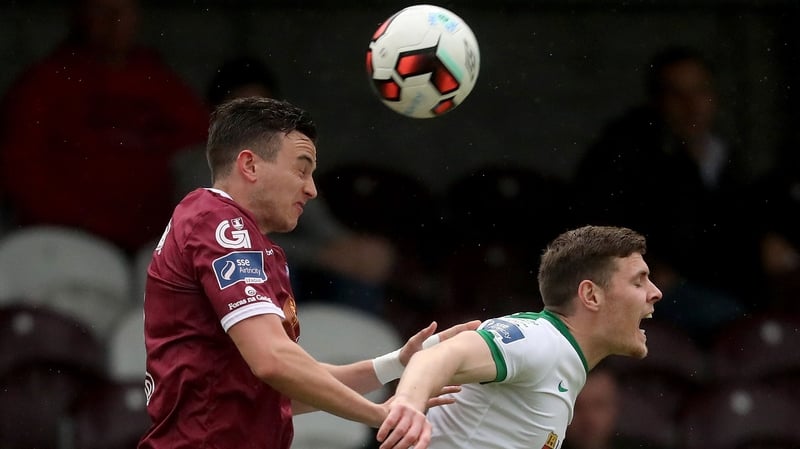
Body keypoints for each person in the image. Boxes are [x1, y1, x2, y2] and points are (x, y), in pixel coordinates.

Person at [138, 96, 479, 449]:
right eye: (301, 170)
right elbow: (274, 361)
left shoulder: (237, 235)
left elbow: (280, 391)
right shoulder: (219, 223)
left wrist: (396, 364)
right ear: (250, 165)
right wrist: (382, 415)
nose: (312, 189)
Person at [375, 225, 663, 449]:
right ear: (591, 295)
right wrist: (409, 403)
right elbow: (438, 355)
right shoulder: (539, 340)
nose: (655, 293)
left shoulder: (563, 363)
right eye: (638, 281)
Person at [171, 55, 398, 318]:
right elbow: (227, 243)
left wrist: (355, 250)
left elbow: (318, 224)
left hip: (292, 264)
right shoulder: (195, 165)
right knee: (275, 272)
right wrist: (321, 255)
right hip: (221, 277)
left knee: (358, 280)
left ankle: (358, 353)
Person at [572, 45, 758, 341]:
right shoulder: (625, 155)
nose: (691, 105)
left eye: (700, 91)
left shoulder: (725, 157)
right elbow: (597, 226)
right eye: (676, 94)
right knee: (733, 325)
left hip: (727, 285)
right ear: (657, 101)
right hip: (657, 290)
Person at [0, 0, 209, 254]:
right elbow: (20, 171)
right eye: (102, 10)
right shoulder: (43, 84)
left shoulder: (161, 83)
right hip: (63, 244)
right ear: (80, 15)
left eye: (123, 10)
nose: (114, 20)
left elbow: (202, 154)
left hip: (154, 245)